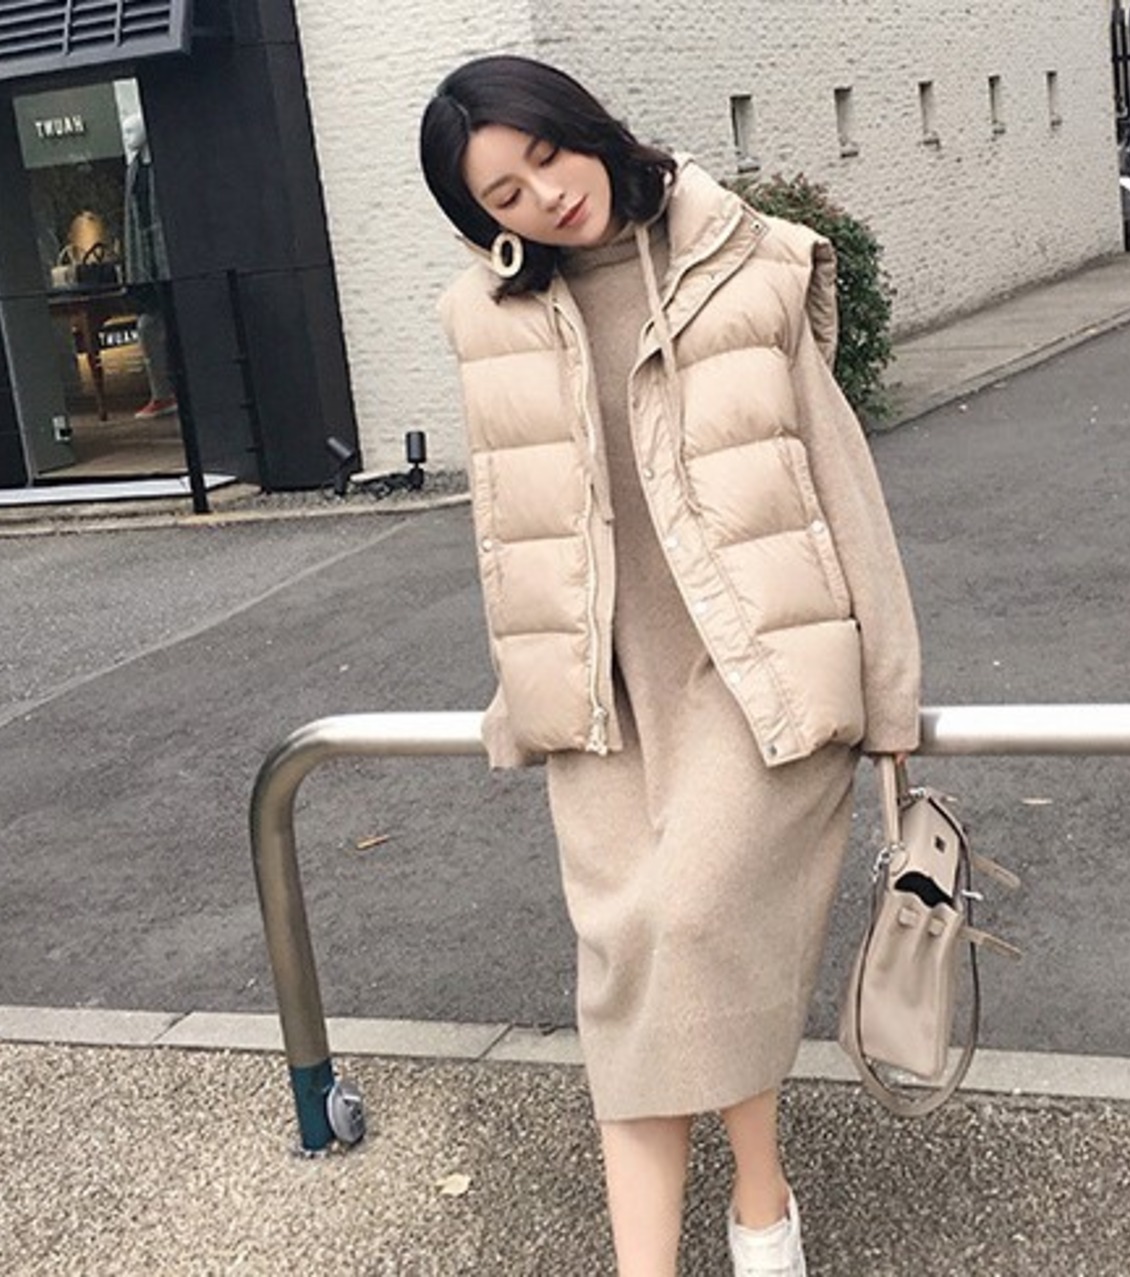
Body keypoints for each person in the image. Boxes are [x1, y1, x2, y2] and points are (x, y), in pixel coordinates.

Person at [420, 55, 920, 1277]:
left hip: (759, 672)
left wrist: (891, 699)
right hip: (604, 694)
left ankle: (755, 1196)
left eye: (545, 156)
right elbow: (511, 523)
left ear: (583, 128)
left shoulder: (747, 263)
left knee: (685, 925)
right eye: (503, 194)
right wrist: (523, 688)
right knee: (631, 969)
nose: (544, 196)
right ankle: (735, 1219)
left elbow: (836, 475)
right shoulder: (483, 322)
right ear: (482, 221)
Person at [121, 113, 176, 421]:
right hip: (149, 266)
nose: (127, 136)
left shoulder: (164, 166)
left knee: (174, 327)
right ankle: (162, 394)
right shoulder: (133, 171)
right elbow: (133, 220)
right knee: (147, 327)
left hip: (172, 263)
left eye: (132, 130)